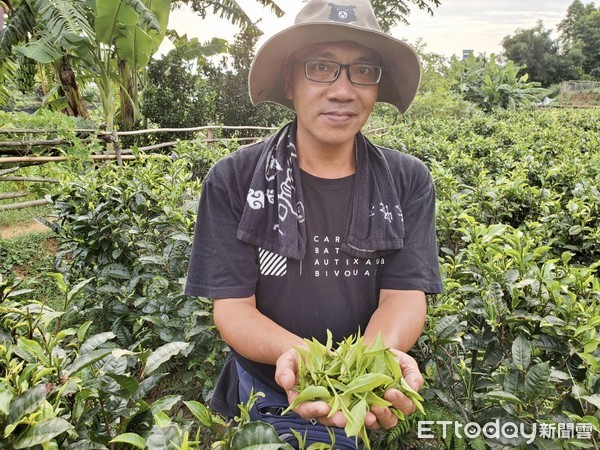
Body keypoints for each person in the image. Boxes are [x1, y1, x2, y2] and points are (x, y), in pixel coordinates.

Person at [185, 0, 443, 448]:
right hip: (266, 389)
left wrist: (369, 366)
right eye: (321, 67)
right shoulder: (234, 179)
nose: (344, 90)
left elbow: (403, 295)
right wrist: (302, 358)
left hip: (362, 392)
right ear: (290, 80)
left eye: (363, 71)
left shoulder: (407, 180)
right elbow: (233, 307)